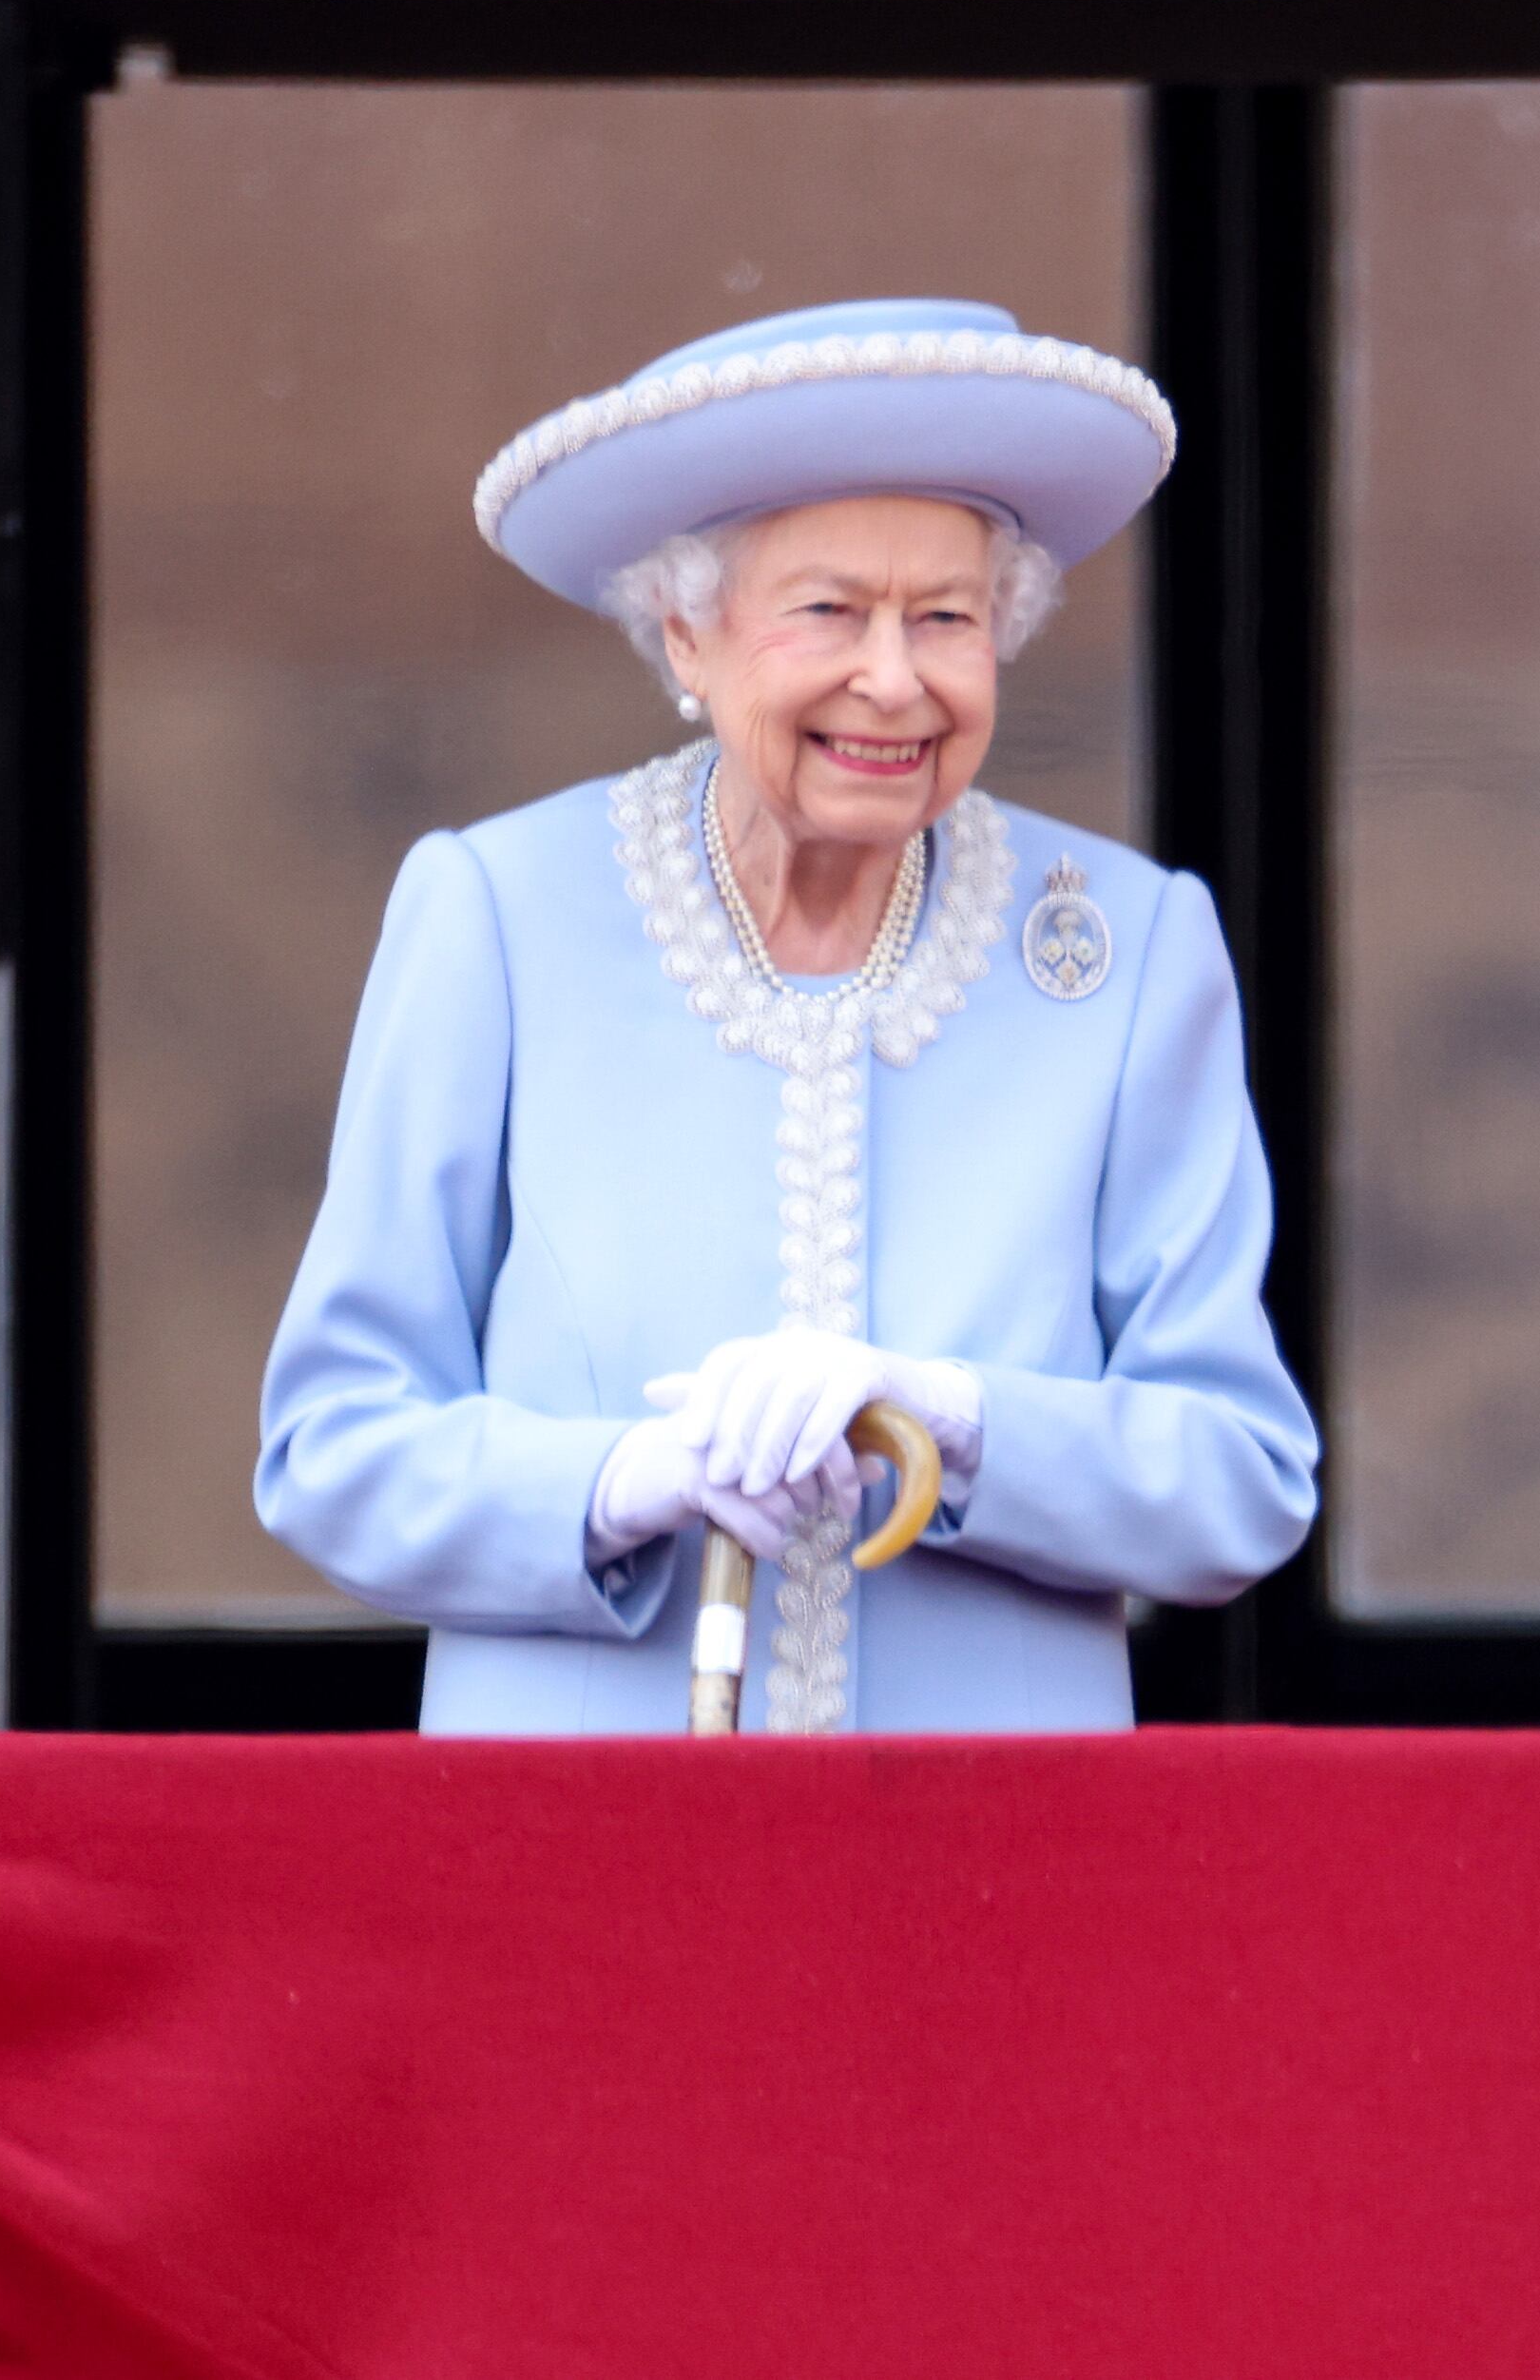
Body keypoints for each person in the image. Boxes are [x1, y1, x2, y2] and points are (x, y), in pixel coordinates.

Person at [257, 298, 1318, 1733]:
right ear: (687, 635)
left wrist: (946, 1414)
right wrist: (619, 1484)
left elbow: (1240, 1479)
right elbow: (331, 1449)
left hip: (995, 1867)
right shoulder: (498, 913)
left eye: (947, 617)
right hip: (577, 1859)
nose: (895, 678)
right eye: (828, 611)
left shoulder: (1128, 950)